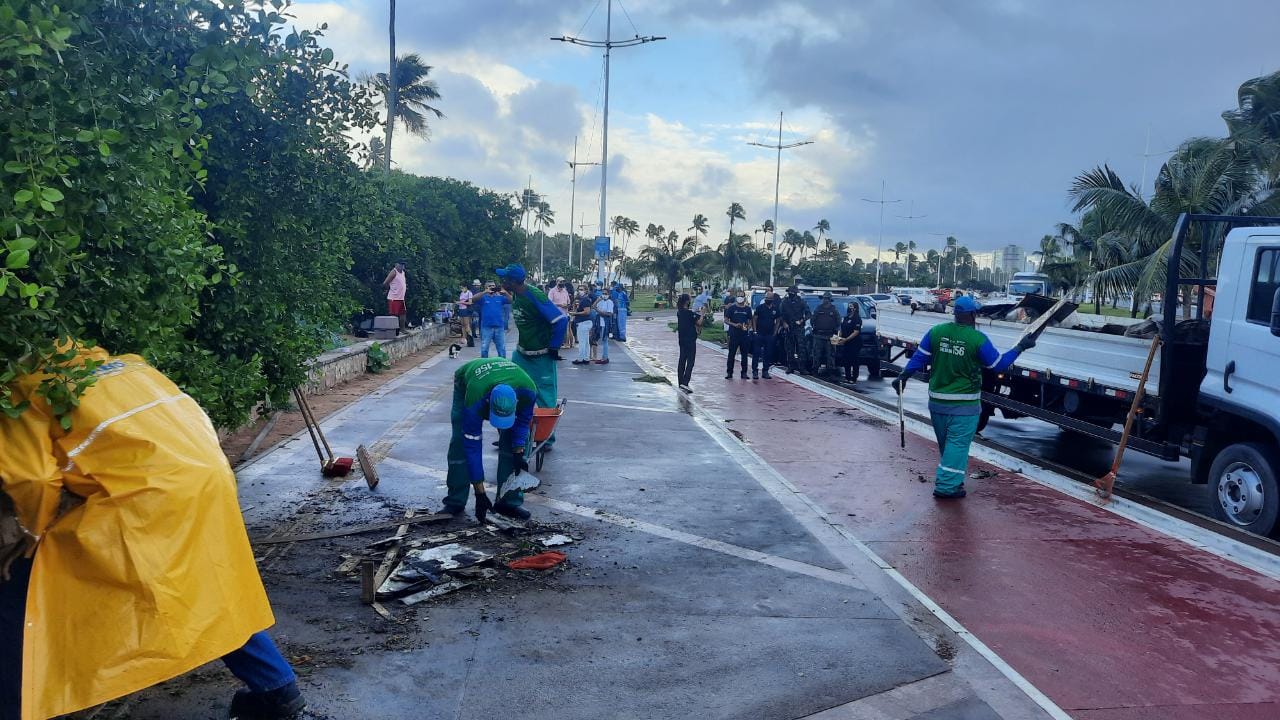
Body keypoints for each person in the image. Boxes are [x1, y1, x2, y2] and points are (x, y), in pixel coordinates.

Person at [1, 346, 304, 720]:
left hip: (143, 498)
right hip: (205, 478)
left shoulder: (22, 388)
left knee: (20, 591)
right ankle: (278, 690)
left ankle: (15, 707)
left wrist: (30, 536)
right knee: (210, 590)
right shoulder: (129, 367)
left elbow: (29, 478)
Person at [893, 295, 1037, 499]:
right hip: (964, 405)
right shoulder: (977, 339)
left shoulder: (936, 332)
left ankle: (954, 480)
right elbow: (998, 366)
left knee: (948, 446)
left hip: (937, 404)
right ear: (971, 315)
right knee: (957, 445)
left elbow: (919, 357)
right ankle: (946, 486)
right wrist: (1020, 347)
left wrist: (903, 377)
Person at [444, 357, 537, 520]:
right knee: (460, 443)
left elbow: (522, 423)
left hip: (509, 380)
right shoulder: (475, 397)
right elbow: (472, 446)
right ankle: (455, 501)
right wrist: (480, 493)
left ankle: (508, 502)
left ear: (516, 402)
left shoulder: (528, 391)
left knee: (517, 441)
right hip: (467, 382)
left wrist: (518, 451)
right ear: (488, 403)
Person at [497, 263, 568, 454]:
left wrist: (554, 347)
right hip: (522, 354)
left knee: (545, 397)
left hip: (541, 356)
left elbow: (561, 320)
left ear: (513, 281)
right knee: (511, 391)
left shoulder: (534, 295)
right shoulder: (518, 295)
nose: (501, 280)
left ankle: (546, 438)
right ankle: (512, 434)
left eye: (505, 278)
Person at [474, 282, 511, 358]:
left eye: (493, 286)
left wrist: (505, 293)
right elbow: (473, 299)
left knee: (502, 350)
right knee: (484, 349)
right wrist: (485, 292)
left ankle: (503, 366)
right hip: (486, 327)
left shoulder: (499, 297)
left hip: (499, 327)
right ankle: (485, 365)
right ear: (486, 287)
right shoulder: (483, 298)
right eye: (490, 286)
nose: (492, 287)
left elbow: (511, 300)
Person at [675, 293, 703, 393]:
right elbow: (699, 322)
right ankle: (685, 382)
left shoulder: (680, 312)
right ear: (687, 301)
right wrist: (702, 313)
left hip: (682, 339)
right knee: (690, 361)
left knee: (682, 360)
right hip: (690, 340)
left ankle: (680, 382)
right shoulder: (689, 313)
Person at [723, 291, 754, 380]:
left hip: (744, 335)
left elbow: (750, 320)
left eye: (741, 296)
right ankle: (729, 372)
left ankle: (744, 372)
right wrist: (734, 324)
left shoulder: (747, 309)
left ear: (744, 297)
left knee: (744, 354)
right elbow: (726, 320)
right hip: (734, 334)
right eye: (738, 296)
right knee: (731, 354)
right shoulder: (732, 308)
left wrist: (748, 327)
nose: (740, 297)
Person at [779, 285, 810, 374]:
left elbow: (808, 314)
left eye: (792, 292)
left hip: (799, 328)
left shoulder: (801, 302)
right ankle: (790, 367)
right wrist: (784, 323)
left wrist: (802, 320)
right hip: (789, 328)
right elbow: (780, 314)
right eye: (790, 292)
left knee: (801, 348)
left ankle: (802, 368)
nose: (791, 294)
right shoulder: (784, 302)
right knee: (789, 348)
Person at [809, 292, 841, 376]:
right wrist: (814, 328)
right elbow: (812, 320)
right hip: (818, 335)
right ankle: (815, 370)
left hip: (830, 336)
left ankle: (831, 372)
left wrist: (836, 333)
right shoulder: (818, 308)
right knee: (816, 354)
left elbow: (838, 322)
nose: (825, 300)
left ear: (829, 300)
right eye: (824, 298)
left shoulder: (834, 310)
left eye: (826, 298)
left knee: (830, 355)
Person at [752, 288, 780, 380]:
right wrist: (755, 331)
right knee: (756, 353)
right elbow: (754, 319)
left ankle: (765, 371)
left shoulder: (775, 309)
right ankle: (755, 371)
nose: (768, 300)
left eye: (770, 298)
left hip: (769, 335)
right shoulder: (760, 308)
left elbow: (778, 321)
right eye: (767, 298)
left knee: (767, 354)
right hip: (759, 333)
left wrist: (775, 332)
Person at [837, 302, 863, 382]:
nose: (850, 308)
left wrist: (847, 339)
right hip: (845, 343)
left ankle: (854, 377)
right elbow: (841, 328)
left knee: (854, 360)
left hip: (854, 342)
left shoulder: (857, 318)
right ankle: (847, 377)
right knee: (846, 360)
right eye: (849, 306)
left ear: (855, 308)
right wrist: (839, 338)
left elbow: (856, 332)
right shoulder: (846, 318)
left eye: (851, 307)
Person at [572, 284, 595, 365]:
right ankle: (586, 358)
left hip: (583, 323)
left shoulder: (585, 300)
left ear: (586, 290)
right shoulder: (583, 299)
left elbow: (587, 311)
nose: (580, 291)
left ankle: (581, 358)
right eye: (579, 289)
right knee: (585, 342)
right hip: (585, 322)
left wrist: (576, 313)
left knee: (582, 342)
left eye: (582, 289)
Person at [548, 277, 574, 348]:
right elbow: (549, 302)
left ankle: (566, 344)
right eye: (561, 282)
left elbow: (569, 302)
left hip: (564, 313)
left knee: (565, 329)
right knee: (555, 329)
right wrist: (559, 304)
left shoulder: (565, 291)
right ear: (557, 282)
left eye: (563, 282)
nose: (562, 284)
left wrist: (567, 305)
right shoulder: (552, 291)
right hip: (555, 314)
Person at [382, 260, 407, 330]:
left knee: (403, 313)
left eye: (403, 265)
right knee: (394, 315)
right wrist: (388, 289)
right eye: (400, 264)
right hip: (394, 297)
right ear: (396, 264)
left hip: (401, 298)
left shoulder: (403, 273)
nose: (402, 266)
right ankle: (392, 330)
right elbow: (385, 283)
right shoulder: (394, 272)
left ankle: (402, 329)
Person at [593, 288, 615, 364]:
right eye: (603, 293)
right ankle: (603, 357)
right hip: (599, 323)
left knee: (605, 340)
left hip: (605, 324)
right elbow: (593, 306)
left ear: (609, 294)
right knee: (600, 339)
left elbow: (609, 314)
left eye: (605, 294)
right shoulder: (600, 301)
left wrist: (599, 312)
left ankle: (605, 358)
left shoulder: (610, 302)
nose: (604, 295)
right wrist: (598, 300)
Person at [457, 282, 475, 347]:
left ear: (466, 287)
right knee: (462, 325)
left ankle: (470, 338)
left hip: (466, 309)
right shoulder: (461, 293)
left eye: (462, 287)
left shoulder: (469, 293)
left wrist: (462, 302)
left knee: (467, 324)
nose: (461, 289)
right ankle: (464, 338)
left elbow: (470, 302)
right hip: (461, 309)